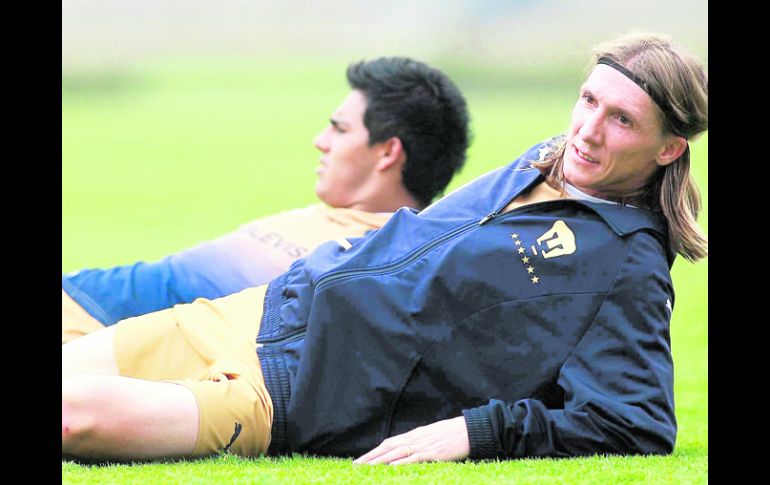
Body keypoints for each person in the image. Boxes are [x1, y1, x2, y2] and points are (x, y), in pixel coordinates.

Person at [62, 31, 708, 464]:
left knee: (72, 417)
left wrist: (475, 431)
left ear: (669, 148)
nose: (588, 130)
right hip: (259, 310)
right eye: (588, 100)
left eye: (621, 120)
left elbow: (635, 421)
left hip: (290, 393)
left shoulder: (629, 264)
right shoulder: (545, 158)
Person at [61, 56, 471, 344]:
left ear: (387, 153)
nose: (321, 141)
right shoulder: (331, 216)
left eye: (340, 129)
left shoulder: (376, 260)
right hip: (87, 296)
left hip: (96, 335)